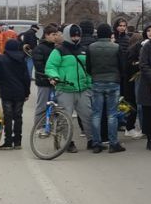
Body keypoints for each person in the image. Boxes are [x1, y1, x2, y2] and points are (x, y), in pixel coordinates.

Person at [44, 24, 92, 154]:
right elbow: (50, 67)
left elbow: (89, 70)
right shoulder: (58, 51)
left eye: (77, 35)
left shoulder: (84, 50)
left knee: (88, 116)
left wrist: (89, 84)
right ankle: (68, 142)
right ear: (66, 35)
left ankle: (92, 140)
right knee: (66, 118)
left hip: (82, 89)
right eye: (73, 35)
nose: (75, 37)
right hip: (65, 89)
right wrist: (54, 76)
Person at [0, 37, 32, 149]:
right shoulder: (22, 59)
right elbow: (26, 78)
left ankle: (8, 141)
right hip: (20, 92)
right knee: (18, 116)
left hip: (6, 92)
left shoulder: (0, 60)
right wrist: (27, 92)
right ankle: (18, 141)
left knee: (8, 116)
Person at [86, 23, 125, 154]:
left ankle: (96, 144)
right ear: (110, 34)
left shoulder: (91, 47)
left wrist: (95, 75)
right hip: (113, 82)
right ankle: (113, 143)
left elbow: (88, 67)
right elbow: (121, 65)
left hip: (96, 82)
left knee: (96, 114)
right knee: (112, 114)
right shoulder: (116, 47)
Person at [31, 24, 61, 129]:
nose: (55, 37)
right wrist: (49, 76)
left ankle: (51, 124)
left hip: (56, 81)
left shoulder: (57, 48)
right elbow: (39, 66)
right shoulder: (39, 48)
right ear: (46, 35)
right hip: (43, 81)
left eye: (57, 34)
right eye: (53, 34)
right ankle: (38, 126)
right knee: (42, 105)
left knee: (54, 105)